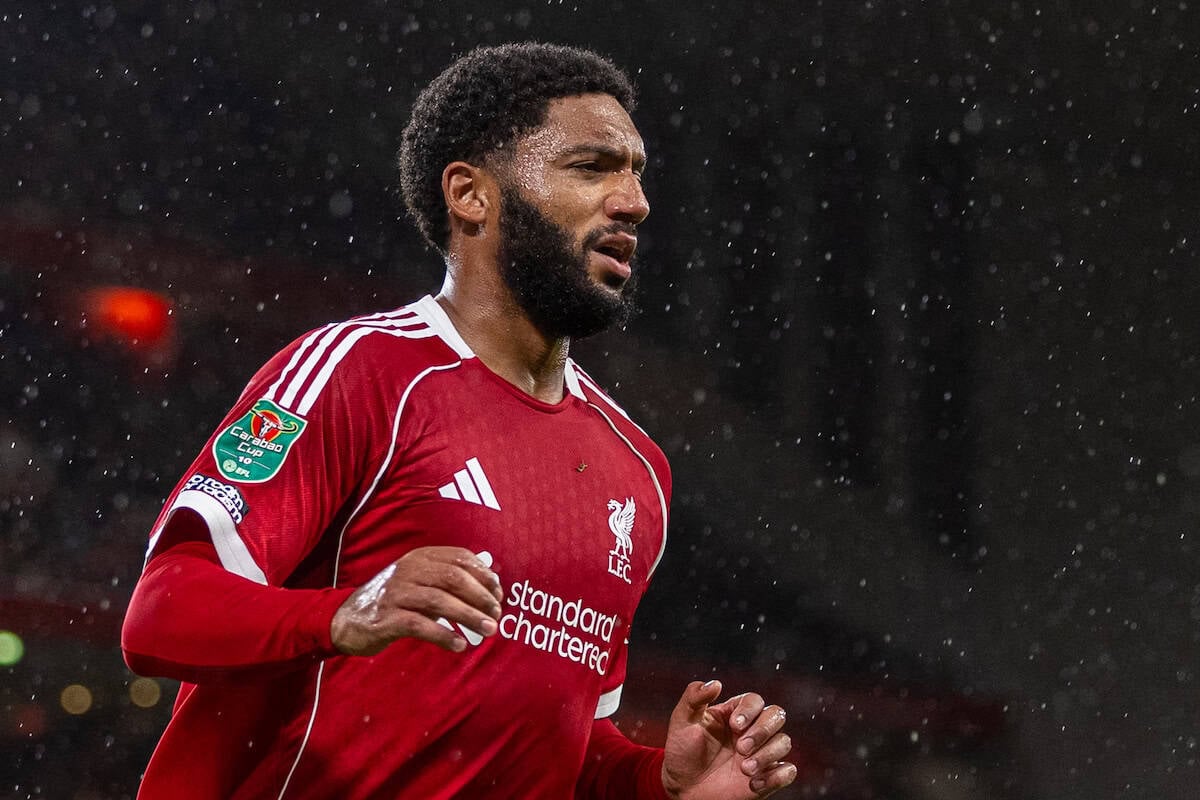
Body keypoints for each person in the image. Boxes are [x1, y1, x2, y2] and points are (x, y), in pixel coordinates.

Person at [121, 42, 797, 799]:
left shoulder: (637, 472)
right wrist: (346, 612)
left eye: (637, 171)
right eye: (592, 166)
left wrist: (657, 783)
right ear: (471, 194)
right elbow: (160, 614)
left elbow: (560, 753)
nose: (633, 200)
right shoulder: (360, 372)